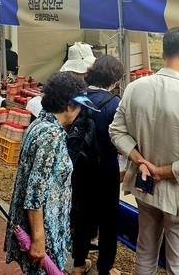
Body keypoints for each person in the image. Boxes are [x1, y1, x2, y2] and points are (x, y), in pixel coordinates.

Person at [109, 26, 179, 275]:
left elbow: (117, 131)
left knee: (145, 250)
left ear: (165, 53)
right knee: (178, 264)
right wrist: (161, 171)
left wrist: (140, 160)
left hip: (145, 188)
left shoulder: (135, 87)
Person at [5, 72, 98, 274]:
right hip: (44, 228)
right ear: (67, 105)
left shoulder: (40, 124)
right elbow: (34, 194)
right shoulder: (51, 136)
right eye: (79, 105)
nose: (81, 110)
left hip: (44, 224)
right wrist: (39, 240)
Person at [71, 55, 124, 275]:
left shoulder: (77, 97)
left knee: (82, 213)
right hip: (107, 168)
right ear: (114, 78)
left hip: (80, 166)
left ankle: (78, 263)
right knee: (108, 220)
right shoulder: (114, 103)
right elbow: (120, 139)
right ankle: (105, 268)